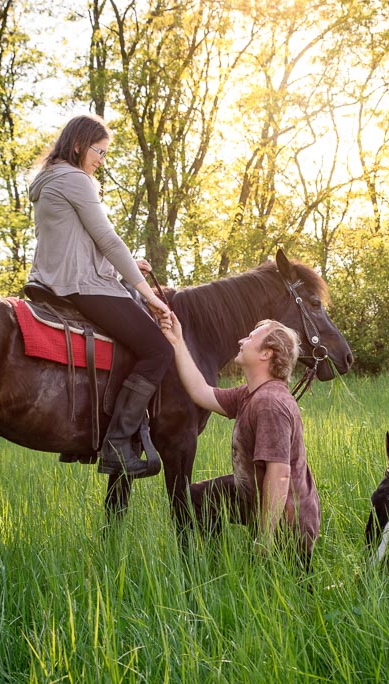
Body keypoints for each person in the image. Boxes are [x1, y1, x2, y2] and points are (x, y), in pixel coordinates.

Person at [28, 113, 172, 478]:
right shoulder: (77, 179)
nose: (102, 161)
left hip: (56, 278)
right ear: (79, 145)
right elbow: (108, 239)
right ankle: (118, 443)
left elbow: (78, 239)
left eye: (106, 153)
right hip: (81, 285)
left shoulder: (50, 178)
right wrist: (149, 296)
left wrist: (129, 264)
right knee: (158, 350)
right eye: (100, 152)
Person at [160, 312, 320, 567]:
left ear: (266, 353)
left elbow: (279, 474)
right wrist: (177, 340)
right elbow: (201, 392)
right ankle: (211, 569)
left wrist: (265, 539)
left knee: (285, 593)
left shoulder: (270, 403)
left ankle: (289, 571)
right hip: (254, 496)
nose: (241, 341)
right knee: (199, 498)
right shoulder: (250, 394)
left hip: (287, 520)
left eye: (251, 337)